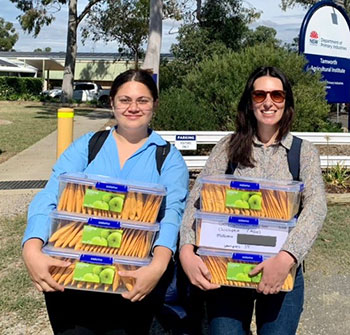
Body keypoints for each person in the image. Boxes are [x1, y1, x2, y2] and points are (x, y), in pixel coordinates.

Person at [22, 69, 189, 335]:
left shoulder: (167, 157)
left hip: (132, 278)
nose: (133, 107)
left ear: (155, 104)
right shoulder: (87, 147)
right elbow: (50, 195)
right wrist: (32, 248)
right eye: (124, 100)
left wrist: (157, 267)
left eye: (142, 100)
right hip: (73, 275)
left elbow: (172, 214)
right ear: (112, 102)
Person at [179, 66, 327, 335]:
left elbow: (317, 207)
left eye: (277, 95)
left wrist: (286, 258)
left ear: (287, 102)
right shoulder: (227, 146)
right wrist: (187, 250)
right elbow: (197, 200)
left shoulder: (302, 152)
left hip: (281, 272)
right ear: (250, 102)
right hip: (226, 270)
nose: (268, 102)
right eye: (259, 95)